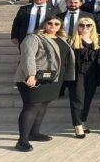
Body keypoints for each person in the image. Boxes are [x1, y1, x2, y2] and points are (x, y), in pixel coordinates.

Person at [13, 16, 74, 151]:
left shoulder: (62, 39)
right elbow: (27, 56)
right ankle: (22, 141)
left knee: (43, 104)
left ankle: (34, 133)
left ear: (60, 26)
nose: (53, 26)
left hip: (52, 79)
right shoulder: (33, 38)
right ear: (44, 24)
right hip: (34, 78)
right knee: (31, 106)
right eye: (50, 23)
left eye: (57, 24)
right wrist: (31, 75)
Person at [67, 17, 100, 138]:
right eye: (82, 25)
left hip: (92, 75)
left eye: (88, 25)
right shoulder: (72, 41)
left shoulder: (98, 40)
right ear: (78, 26)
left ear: (93, 27)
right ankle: (77, 126)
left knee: (87, 100)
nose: (85, 28)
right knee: (78, 100)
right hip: (78, 75)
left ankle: (82, 122)